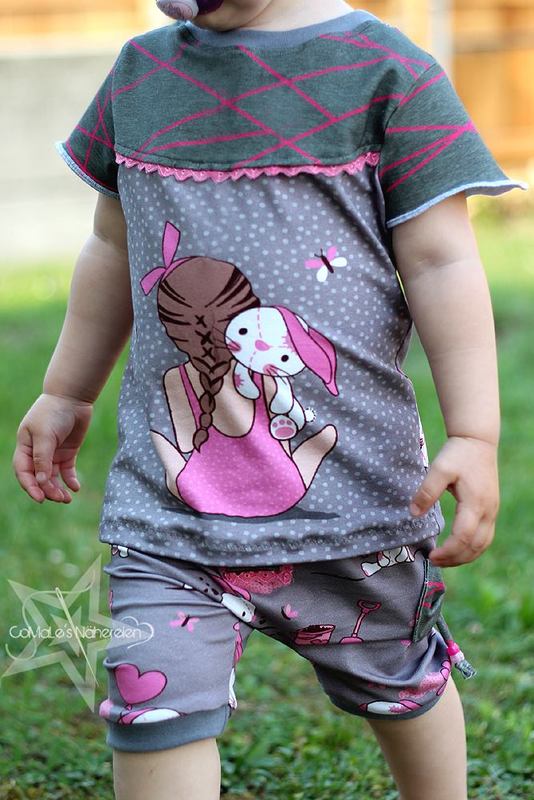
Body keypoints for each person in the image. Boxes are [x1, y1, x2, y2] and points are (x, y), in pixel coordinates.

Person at [12, 1, 527, 798]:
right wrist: (65, 389)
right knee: (153, 702)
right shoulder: (141, 75)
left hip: (355, 506)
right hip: (172, 512)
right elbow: (112, 245)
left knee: (401, 682)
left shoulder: (387, 74)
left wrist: (475, 433)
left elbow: (441, 262)